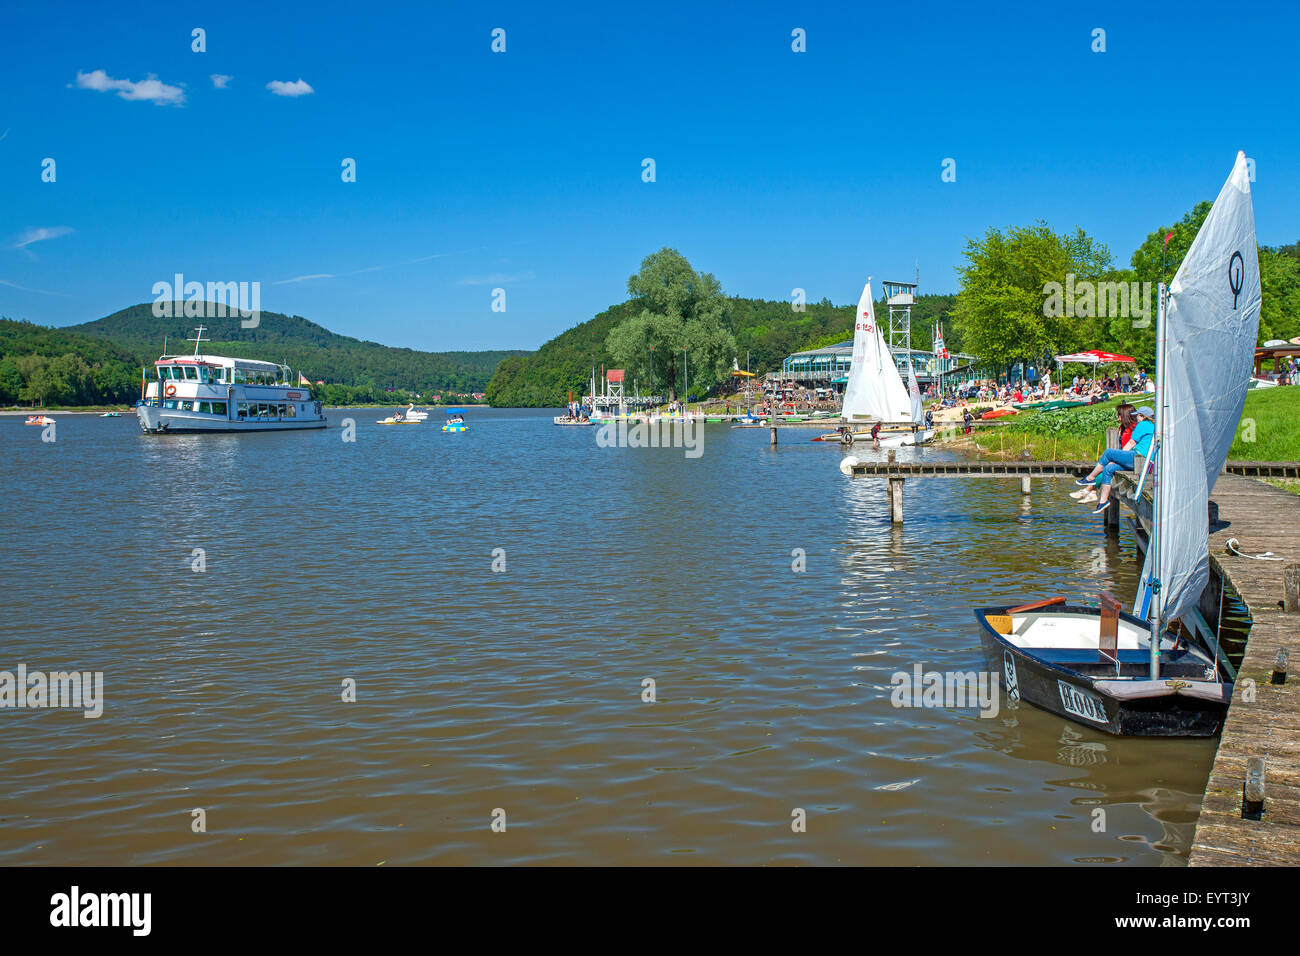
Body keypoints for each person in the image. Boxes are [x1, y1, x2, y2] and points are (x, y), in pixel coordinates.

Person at [1074, 407, 1155, 513]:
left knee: (1109, 453)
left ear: (1142, 416)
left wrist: (1119, 457)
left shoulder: (1144, 424)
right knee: (1109, 468)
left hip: (1139, 458)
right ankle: (1103, 501)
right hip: (1143, 463)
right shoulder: (1153, 426)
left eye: (1137, 415)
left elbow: (1131, 443)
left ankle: (1090, 478)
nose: (1136, 418)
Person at [1071, 404, 1136, 503]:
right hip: (1125, 458)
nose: (1117, 418)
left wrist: (1116, 459)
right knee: (1104, 464)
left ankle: (1089, 489)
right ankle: (1091, 491)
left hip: (1132, 460)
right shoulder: (1124, 428)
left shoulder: (1133, 430)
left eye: (1119, 415)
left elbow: (1129, 448)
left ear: (1126, 416)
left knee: (1107, 463)